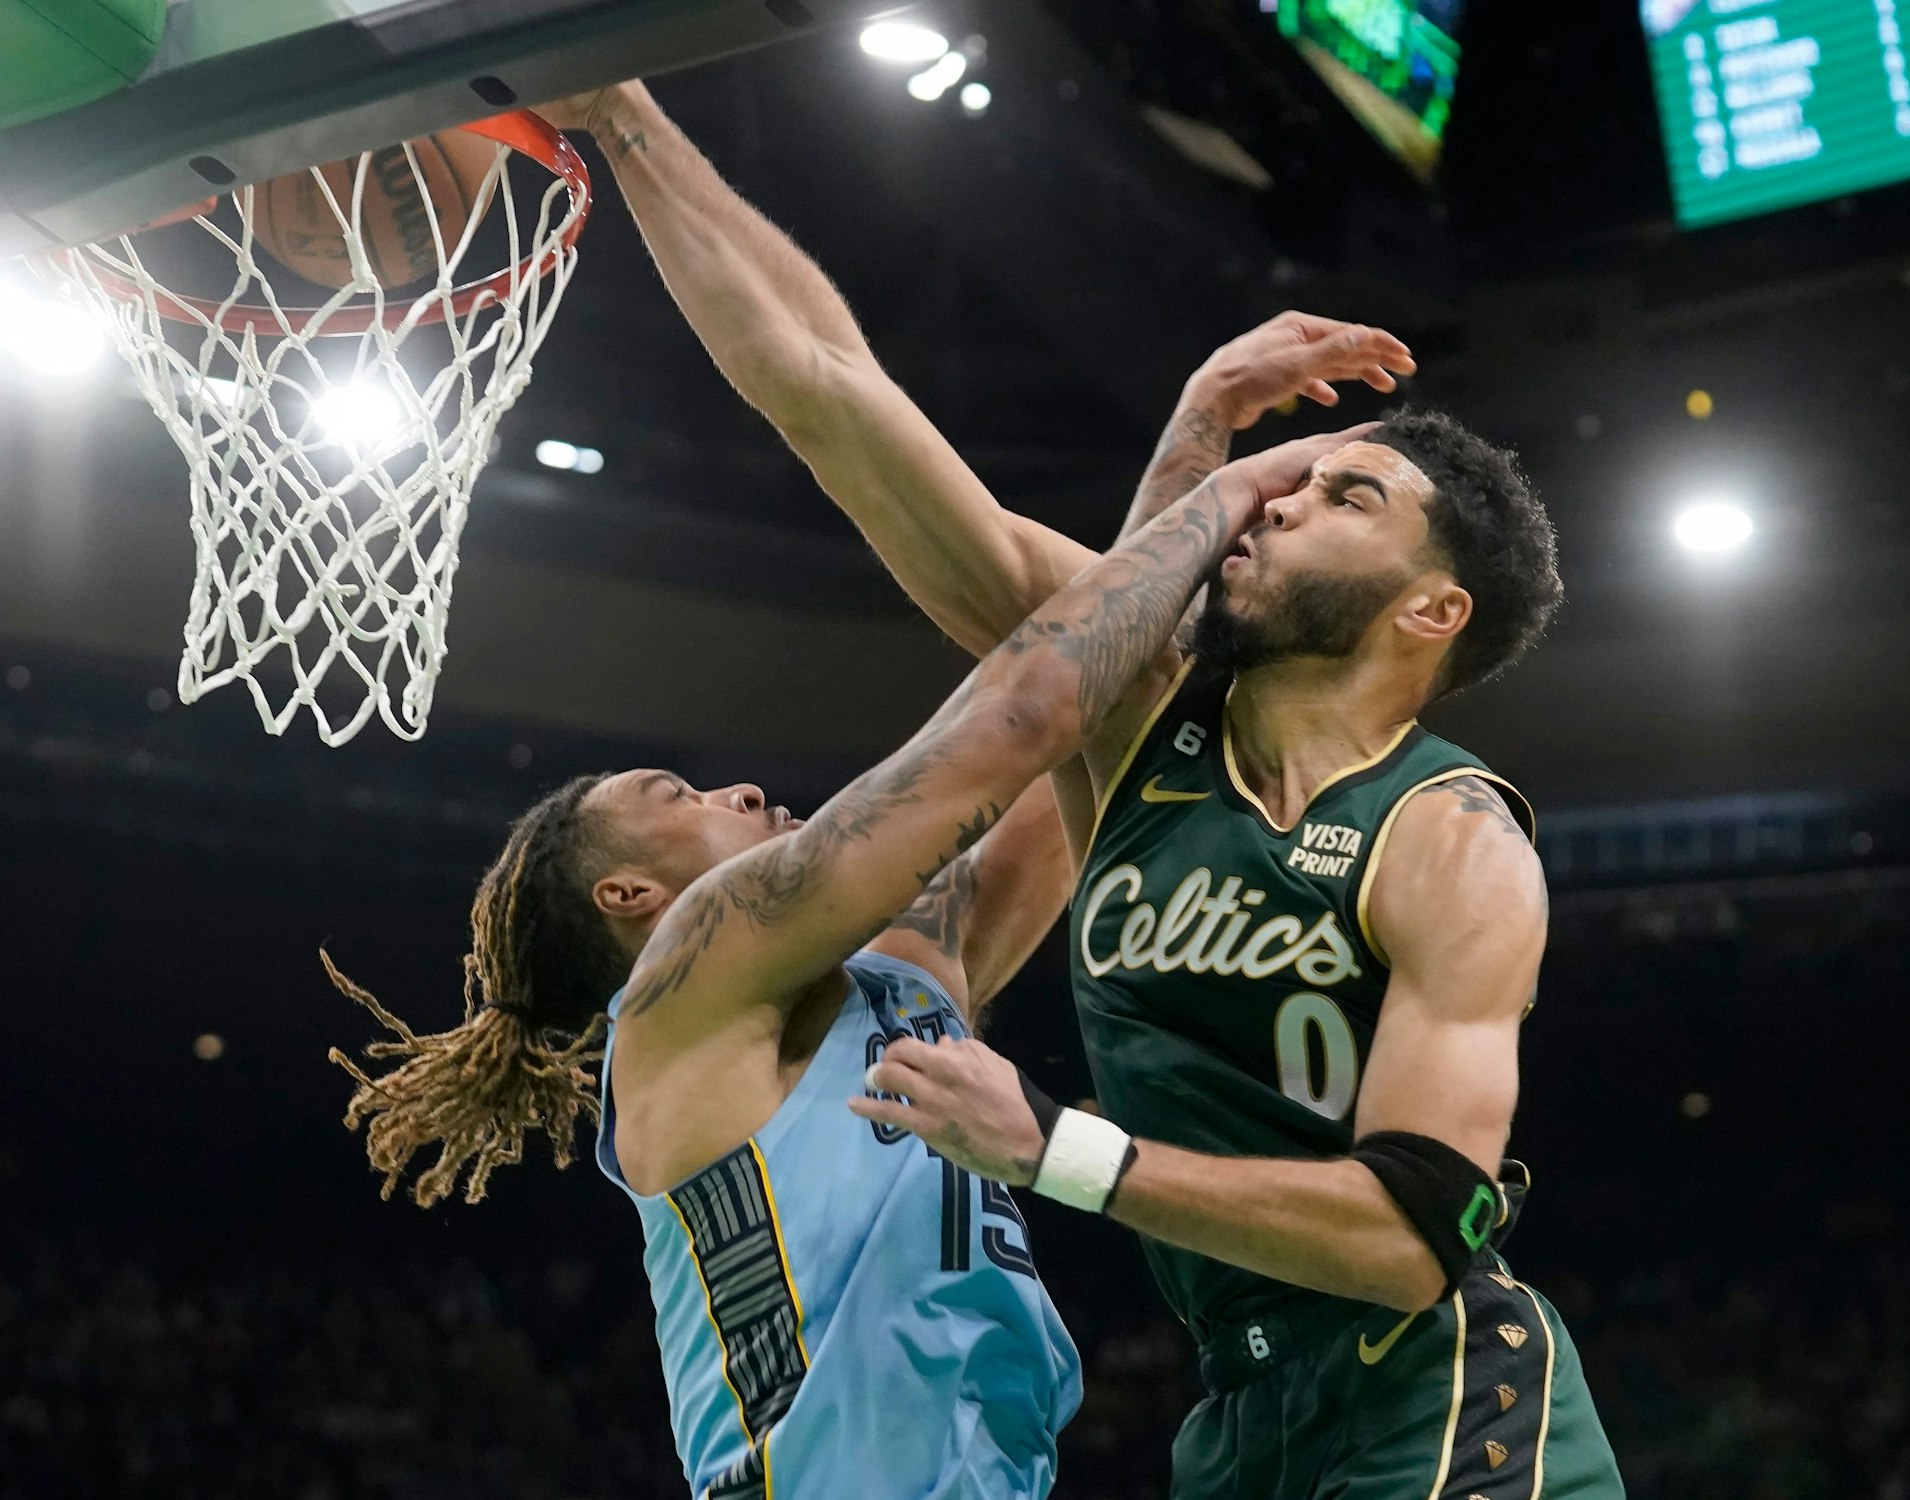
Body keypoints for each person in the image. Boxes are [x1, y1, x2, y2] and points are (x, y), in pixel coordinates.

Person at [547, 82, 1625, 1500]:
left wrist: (1061, 1151)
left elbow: (1410, 1235)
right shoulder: (1142, 746)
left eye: (1347, 499)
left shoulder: (1451, 836)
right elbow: (828, 391)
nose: (1284, 493)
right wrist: (623, 115)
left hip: (1436, 1398)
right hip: (1236, 1422)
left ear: (1430, 613)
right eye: (1291, 479)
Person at [323, 346, 1354, 1492]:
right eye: (682, 798)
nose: (742, 794)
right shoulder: (681, 989)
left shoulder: (902, 980)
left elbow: (1099, 726)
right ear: (630, 898)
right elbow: (1021, 712)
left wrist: (1197, 423)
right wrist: (1223, 500)